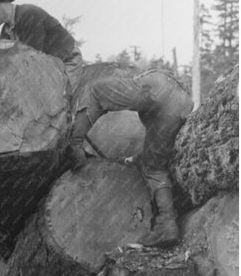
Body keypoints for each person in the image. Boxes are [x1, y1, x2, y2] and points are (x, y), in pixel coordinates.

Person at [68, 69, 194, 248]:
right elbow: (151, 154)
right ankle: (167, 224)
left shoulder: (142, 83)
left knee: (96, 91)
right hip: (183, 102)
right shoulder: (158, 109)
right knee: (155, 169)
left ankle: (74, 144)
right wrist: (132, 160)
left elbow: (98, 95)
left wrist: (76, 140)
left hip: (160, 84)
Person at [0, 0, 83, 94]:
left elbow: (32, 60)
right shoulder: (6, 31)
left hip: (67, 60)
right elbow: (3, 62)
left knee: (58, 97)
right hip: (48, 67)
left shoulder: (29, 15)